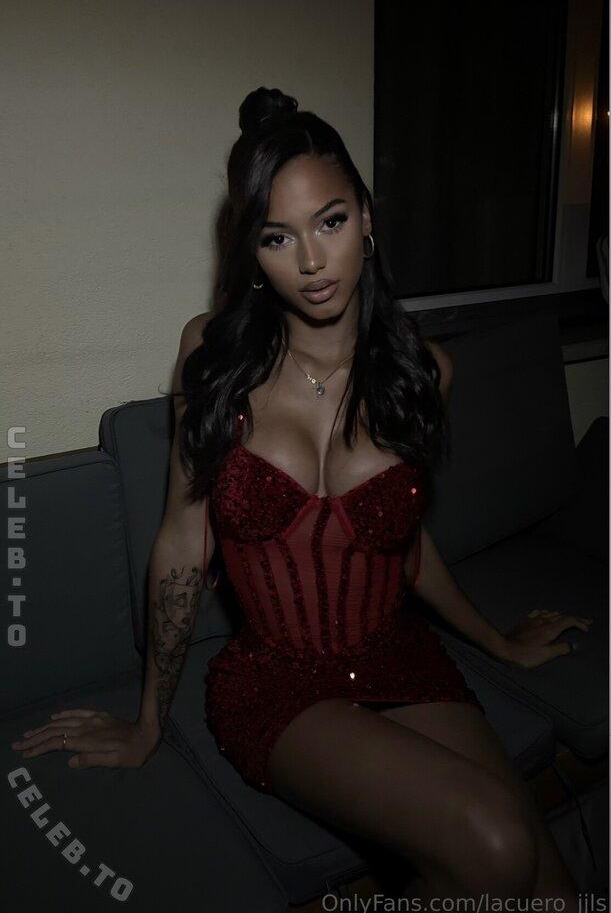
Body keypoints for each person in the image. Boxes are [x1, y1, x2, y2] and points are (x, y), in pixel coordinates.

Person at [11, 87, 593, 903]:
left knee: (552, 888)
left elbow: (403, 544)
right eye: (278, 236)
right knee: (496, 844)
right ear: (252, 251)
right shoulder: (212, 361)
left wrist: (495, 642)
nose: (312, 262)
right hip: (275, 682)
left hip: (397, 655)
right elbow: (181, 546)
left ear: (367, 219)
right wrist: (148, 721)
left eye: (331, 221)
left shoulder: (422, 374)